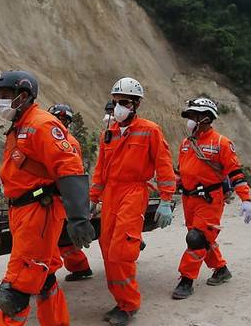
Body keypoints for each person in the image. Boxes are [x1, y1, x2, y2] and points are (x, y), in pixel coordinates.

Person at [0, 70, 95, 326]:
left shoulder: (41, 125)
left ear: (22, 96)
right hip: (23, 211)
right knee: (43, 276)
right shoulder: (20, 126)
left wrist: (79, 217)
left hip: (39, 210)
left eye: (5, 96)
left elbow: (69, 168)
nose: (0, 101)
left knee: (15, 291)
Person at [90, 77, 176, 326]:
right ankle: (120, 301)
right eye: (115, 101)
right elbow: (100, 170)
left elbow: (164, 166)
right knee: (107, 249)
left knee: (122, 250)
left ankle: (129, 305)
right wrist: (93, 199)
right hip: (111, 195)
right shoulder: (109, 133)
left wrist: (165, 199)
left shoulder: (150, 130)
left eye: (124, 102)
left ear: (136, 104)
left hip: (134, 192)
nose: (118, 107)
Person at [171, 98, 251, 300]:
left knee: (196, 238)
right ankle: (221, 269)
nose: (190, 120)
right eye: (189, 116)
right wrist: (171, 184)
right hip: (188, 199)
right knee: (202, 238)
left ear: (206, 118)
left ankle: (186, 279)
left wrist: (246, 199)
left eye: (193, 116)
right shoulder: (186, 144)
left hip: (210, 199)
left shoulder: (221, 143)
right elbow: (183, 173)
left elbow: (235, 173)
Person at [47, 103, 93, 282]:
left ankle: (43, 277)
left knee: (50, 240)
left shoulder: (65, 142)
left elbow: (71, 172)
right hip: (63, 195)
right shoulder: (66, 140)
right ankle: (80, 267)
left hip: (58, 196)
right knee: (64, 238)